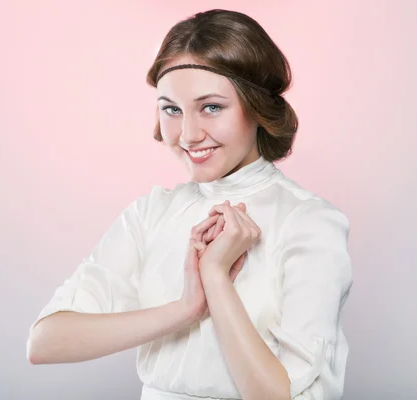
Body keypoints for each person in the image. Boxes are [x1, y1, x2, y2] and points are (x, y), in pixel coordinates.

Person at [26, 9, 353, 400]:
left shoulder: (309, 222)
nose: (189, 134)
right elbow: (45, 342)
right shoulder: (150, 213)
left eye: (211, 107)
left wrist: (216, 277)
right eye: (172, 109)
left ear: (257, 107)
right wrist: (185, 309)